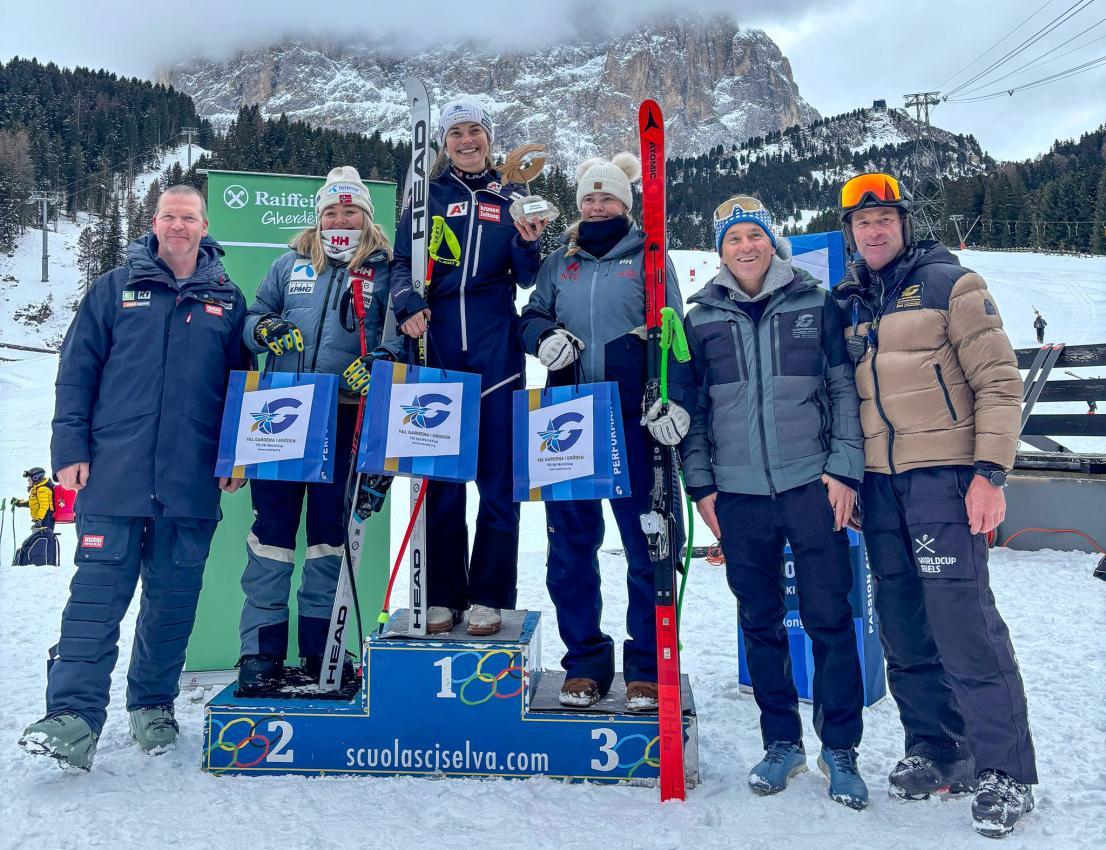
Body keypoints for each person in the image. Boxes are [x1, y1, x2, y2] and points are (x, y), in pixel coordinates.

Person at [18, 185, 252, 770]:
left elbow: (242, 393)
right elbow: (76, 375)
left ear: (204, 226)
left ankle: (153, 705)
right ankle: (72, 716)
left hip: (191, 482)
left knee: (172, 604)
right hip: (113, 475)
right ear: (155, 223)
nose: (178, 225)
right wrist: (68, 448)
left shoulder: (227, 299)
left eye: (189, 217)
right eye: (169, 216)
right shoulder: (113, 289)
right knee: (96, 600)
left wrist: (234, 458)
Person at [833, 172, 1036, 837]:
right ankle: (936, 746)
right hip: (880, 487)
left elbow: (1000, 383)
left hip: (944, 480)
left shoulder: (954, 284)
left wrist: (990, 472)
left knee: (964, 623)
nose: (874, 230)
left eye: (885, 219)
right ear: (851, 234)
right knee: (903, 624)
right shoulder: (851, 300)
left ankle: (1004, 771)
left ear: (904, 223)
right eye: (863, 224)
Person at [678, 195, 869, 809]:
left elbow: (844, 390)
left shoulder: (817, 301)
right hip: (737, 495)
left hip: (812, 486)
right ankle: (781, 741)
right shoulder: (700, 317)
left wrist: (844, 470)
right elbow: (695, 410)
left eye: (754, 235)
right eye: (733, 239)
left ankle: (840, 749)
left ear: (772, 241)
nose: (746, 247)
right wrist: (702, 488)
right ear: (720, 250)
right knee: (760, 622)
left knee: (829, 619)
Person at [519, 153, 690, 711]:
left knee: (647, 540)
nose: (597, 206)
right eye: (589, 198)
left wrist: (671, 398)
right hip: (565, 413)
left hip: (631, 414)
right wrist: (542, 336)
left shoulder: (650, 258)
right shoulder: (557, 263)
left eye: (608, 198)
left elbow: (675, 335)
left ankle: (645, 663)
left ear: (626, 205)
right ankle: (585, 662)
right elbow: (531, 314)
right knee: (570, 547)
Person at [390, 97, 546, 637]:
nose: (466, 140)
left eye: (474, 130)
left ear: (488, 137)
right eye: (455, 132)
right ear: (443, 143)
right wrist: (409, 305)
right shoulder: (425, 196)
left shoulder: (512, 197)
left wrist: (530, 243)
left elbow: (527, 277)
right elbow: (398, 267)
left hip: (495, 348)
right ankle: (441, 594)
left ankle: (489, 595)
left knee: (498, 482)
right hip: (436, 346)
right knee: (441, 480)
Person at [235, 166, 395, 695]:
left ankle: (323, 652)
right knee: (272, 535)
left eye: (350, 210)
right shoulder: (289, 263)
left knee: (330, 538)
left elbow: (399, 339)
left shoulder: (384, 271)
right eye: (331, 211)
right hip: (283, 413)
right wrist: (265, 329)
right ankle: (260, 653)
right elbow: (255, 316)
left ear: (365, 217)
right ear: (319, 217)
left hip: (344, 415)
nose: (340, 218)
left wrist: (378, 366)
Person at [13, 467, 55, 532]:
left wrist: (39, 519)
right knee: (41, 538)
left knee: (44, 538)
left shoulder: (42, 489)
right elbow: (33, 502)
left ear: (35, 478)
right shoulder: (37, 488)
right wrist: (19, 503)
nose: (28, 480)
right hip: (42, 518)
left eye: (29, 478)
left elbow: (44, 506)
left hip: (46, 518)